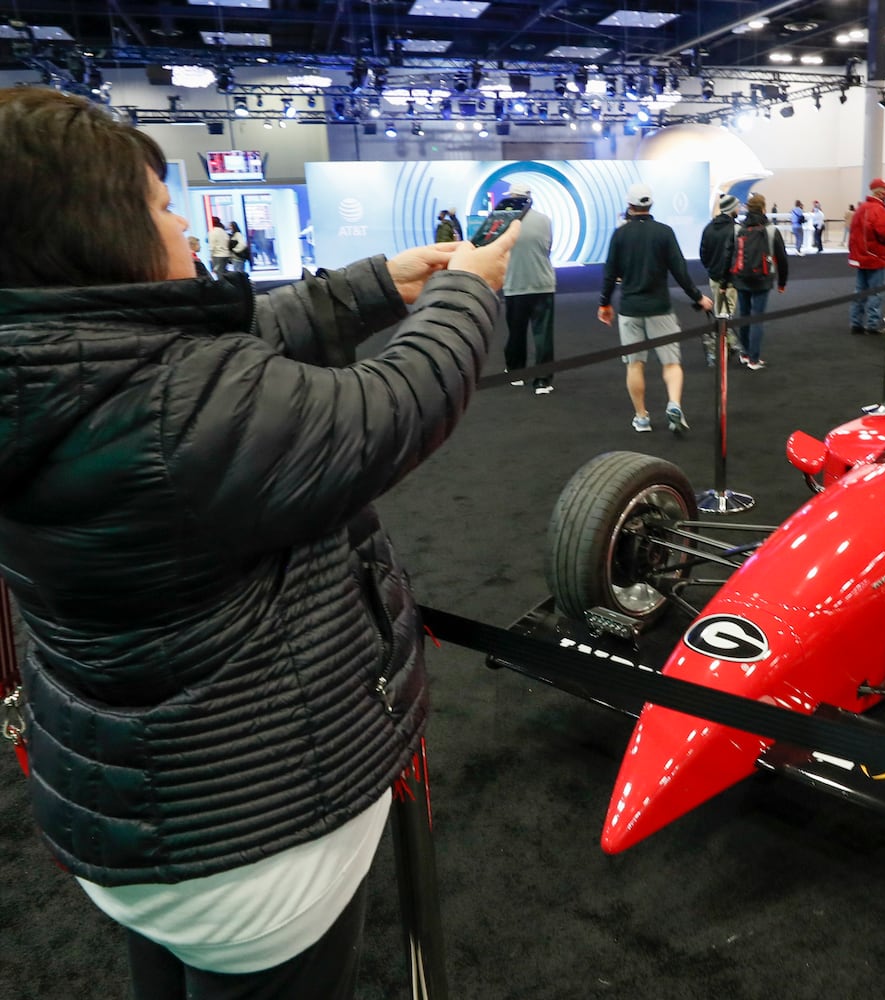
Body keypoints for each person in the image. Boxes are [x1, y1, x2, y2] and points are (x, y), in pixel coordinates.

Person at [0, 85, 514, 1000]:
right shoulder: (176, 413)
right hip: (253, 833)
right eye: (163, 210)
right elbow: (395, 406)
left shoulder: (49, 368)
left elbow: (208, 359)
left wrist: (375, 287)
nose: (190, 228)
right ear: (99, 233)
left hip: (134, 811)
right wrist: (468, 294)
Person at [598, 181, 712, 433]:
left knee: (635, 364)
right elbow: (680, 271)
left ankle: (641, 417)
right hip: (660, 308)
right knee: (671, 363)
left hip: (630, 308)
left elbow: (609, 273)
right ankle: (674, 403)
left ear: (629, 205)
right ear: (650, 204)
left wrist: (604, 303)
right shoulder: (664, 232)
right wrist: (698, 298)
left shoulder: (620, 234)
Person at [500, 181, 557, 394]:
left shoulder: (504, 222)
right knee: (543, 334)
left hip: (515, 284)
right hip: (543, 284)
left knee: (516, 331)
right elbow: (548, 247)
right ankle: (543, 380)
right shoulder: (545, 220)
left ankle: (516, 373)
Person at [730, 193, 788, 369]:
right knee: (757, 318)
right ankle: (754, 359)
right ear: (763, 208)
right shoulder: (771, 230)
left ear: (747, 208)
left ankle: (745, 354)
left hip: (741, 278)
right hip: (763, 278)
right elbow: (782, 258)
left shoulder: (738, 229)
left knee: (744, 315)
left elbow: (731, 256)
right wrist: (782, 283)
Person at [847, 178, 885, 336]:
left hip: (861, 256)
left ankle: (856, 323)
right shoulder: (878, 209)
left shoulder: (861, 208)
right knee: (876, 292)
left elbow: (853, 232)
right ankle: (873, 324)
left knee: (860, 290)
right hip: (875, 257)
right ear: (880, 191)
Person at [698, 192, 741, 363]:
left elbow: (703, 253)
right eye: (737, 206)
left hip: (714, 277)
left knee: (720, 311)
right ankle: (723, 347)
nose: (739, 208)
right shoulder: (736, 229)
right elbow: (735, 256)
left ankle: (725, 346)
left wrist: (711, 268)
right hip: (729, 280)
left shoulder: (708, 228)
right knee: (727, 313)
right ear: (731, 209)